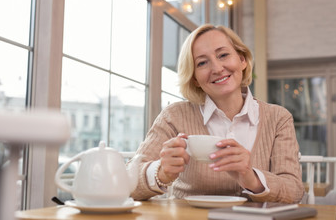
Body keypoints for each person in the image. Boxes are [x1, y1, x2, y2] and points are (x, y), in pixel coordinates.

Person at [130, 24, 304, 203]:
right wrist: (161, 172)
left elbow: (294, 191)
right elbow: (129, 181)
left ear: (242, 60)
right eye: (202, 62)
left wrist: (251, 178)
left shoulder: (278, 118)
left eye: (223, 55)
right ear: (195, 78)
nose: (217, 68)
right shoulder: (174, 116)